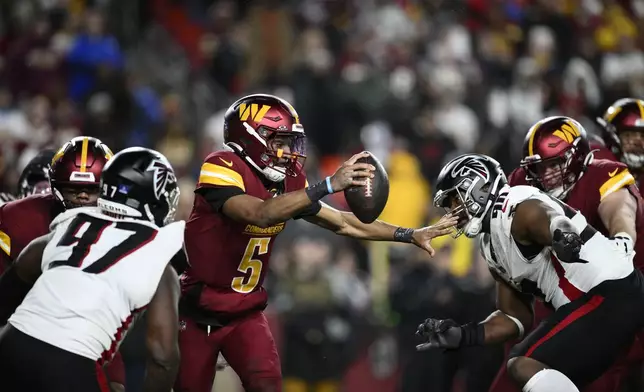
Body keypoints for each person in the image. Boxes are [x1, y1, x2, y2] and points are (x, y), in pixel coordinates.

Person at [175, 94, 458, 392]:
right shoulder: (222, 165)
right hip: (197, 312)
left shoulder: (287, 181)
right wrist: (327, 185)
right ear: (250, 137)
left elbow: (343, 222)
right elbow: (259, 214)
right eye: (279, 141)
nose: (286, 152)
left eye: (289, 142)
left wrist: (410, 234)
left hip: (245, 312)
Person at [416, 153, 644, 392]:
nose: (453, 212)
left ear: (479, 186)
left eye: (455, 200)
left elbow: (545, 217)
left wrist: (562, 232)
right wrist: (464, 335)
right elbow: (514, 318)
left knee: (524, 363)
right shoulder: (490, 244)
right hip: (595, 306)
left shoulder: (512, 203)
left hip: (609, 290)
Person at [0, 147, 183, 392]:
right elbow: (162, 358)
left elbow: (23, 266)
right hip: (72, 362)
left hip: (12, 344)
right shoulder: (159, 253)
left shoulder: (73, 222)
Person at [489, 116, 644, 392]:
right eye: (540, 166)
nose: (546, 174)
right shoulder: (521, 183)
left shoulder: (603, 173)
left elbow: (619, 209)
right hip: (556, 306)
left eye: (554, 164)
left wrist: (622, 239)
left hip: (608, 302)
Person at [0, 136, 126, 389]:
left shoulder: (123, 225)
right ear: (55, 187)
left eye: (92, 190)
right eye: (73, 189)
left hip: (89, 332)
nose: (82, 197)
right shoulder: (16, 219)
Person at [596, 98, 644, 187]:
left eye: (643, 137)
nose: (638, 143)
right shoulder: (594, 164)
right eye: (628, 135)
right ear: (611, 136)